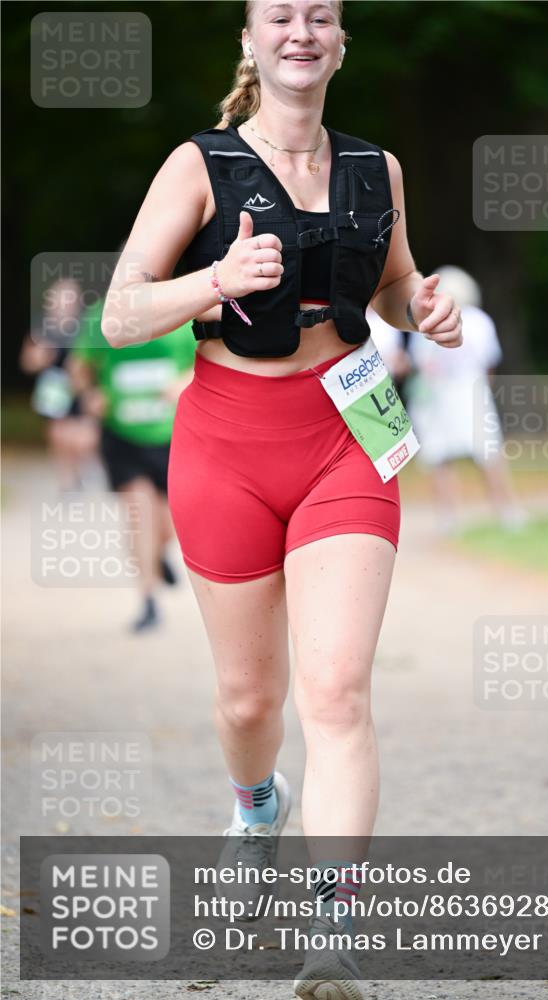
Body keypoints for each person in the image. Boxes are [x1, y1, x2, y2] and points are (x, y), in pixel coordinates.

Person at [101, 2, 462, 996]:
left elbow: (392, 284)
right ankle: (256, 802)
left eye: (322, 16)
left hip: (348, 434)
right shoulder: (199, 165)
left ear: (341, 43)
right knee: (250, 699)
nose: (301, 30)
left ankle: (333, 933)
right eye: (280, 16)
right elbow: (120, 310)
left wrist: (422, 304)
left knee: (337, 689)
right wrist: (212, 280)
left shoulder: (374, 169)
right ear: (251, 44)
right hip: (226, 439)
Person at [69, 296, 195, 631]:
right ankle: (149, 599)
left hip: (173, 432)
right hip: (122, 432)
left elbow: (210, 358)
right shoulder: (103, 317)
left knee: (170, 523)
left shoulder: (185, 306)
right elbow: (79, 367)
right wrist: (91, 394)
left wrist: (185, 381)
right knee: (139, 512)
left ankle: (156, 554)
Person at [406, 266, 525, 534]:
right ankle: (507, 511)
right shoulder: (481, 321)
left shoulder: (429, 319)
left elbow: (421, 364)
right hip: (472, 390)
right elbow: (489, 363)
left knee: (440, 458)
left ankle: (448, 518)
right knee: (489, 453)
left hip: (438, 396)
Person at [19, 277, 100, 492]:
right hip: (54, 388)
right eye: (62, 297)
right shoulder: (42, 326)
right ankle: (68, 482)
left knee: (85, 436)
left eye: (70, 297)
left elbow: (96, 359)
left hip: (81, 384)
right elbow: (27, 361)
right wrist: (39, 358)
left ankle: (86, 467)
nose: (66, 302)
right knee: (58, 435)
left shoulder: (86, 325)